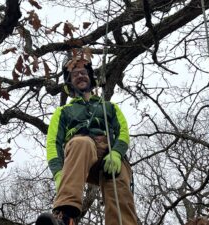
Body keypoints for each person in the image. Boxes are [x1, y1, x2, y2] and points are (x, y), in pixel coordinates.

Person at [41, 55, 138, 225]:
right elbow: (53, 143)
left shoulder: (109, 107)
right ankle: (65, 216)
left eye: (83, 72)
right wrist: (58, 173)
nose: (80, 75)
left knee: (119, 182)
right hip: (81, 153)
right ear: (69, 83)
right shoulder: (63, 111)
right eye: (75, 74)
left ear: (91, 77)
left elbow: (122, 132)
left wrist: (116, 153)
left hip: (109, 155)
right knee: (81, 143)